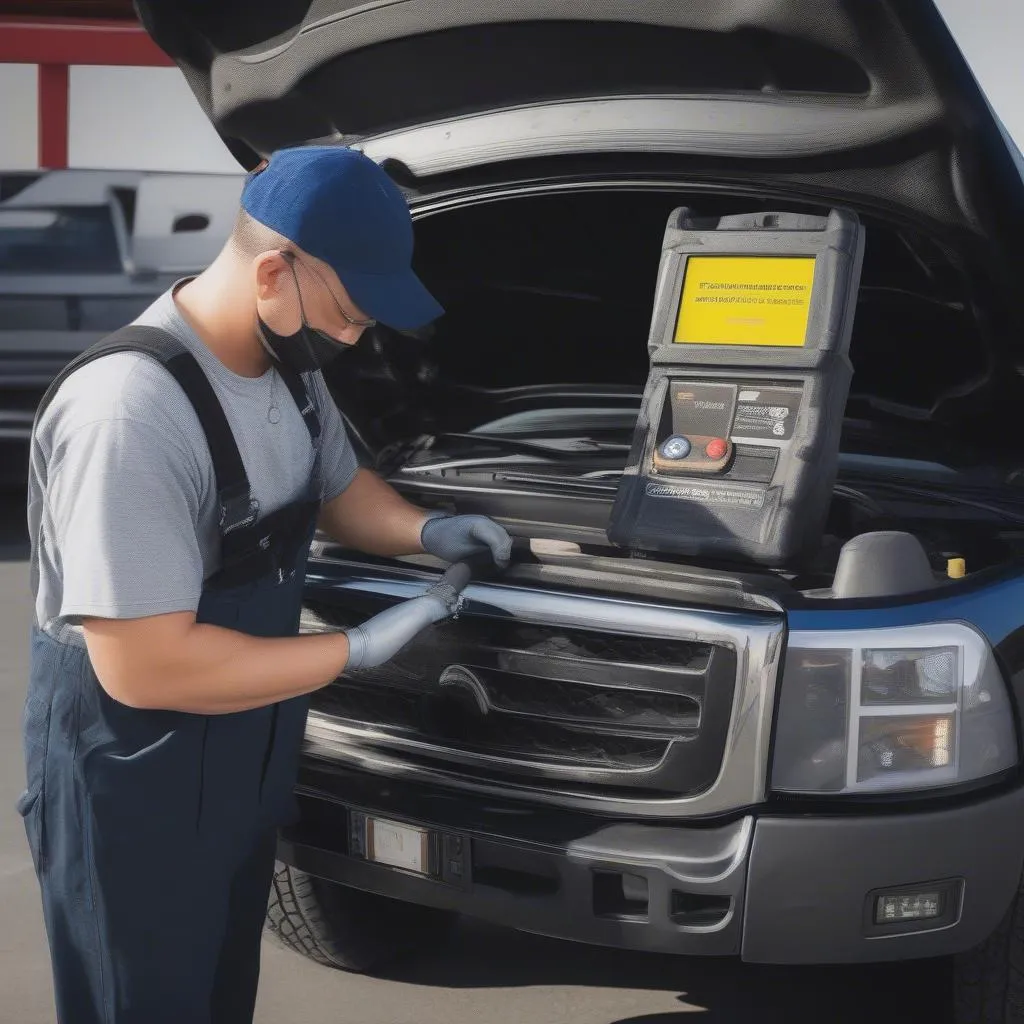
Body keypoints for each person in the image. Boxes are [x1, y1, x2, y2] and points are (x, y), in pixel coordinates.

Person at [17, 145, 511, 1024]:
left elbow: (339, 491)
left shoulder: (290, 366)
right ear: (275, 272)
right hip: (134, 775)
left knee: (217, 996)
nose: (361, 337)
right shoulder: (132, 414)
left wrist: (426, 532)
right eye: (353, 313)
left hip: (240, 758)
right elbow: (146, 668)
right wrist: (352, 649)